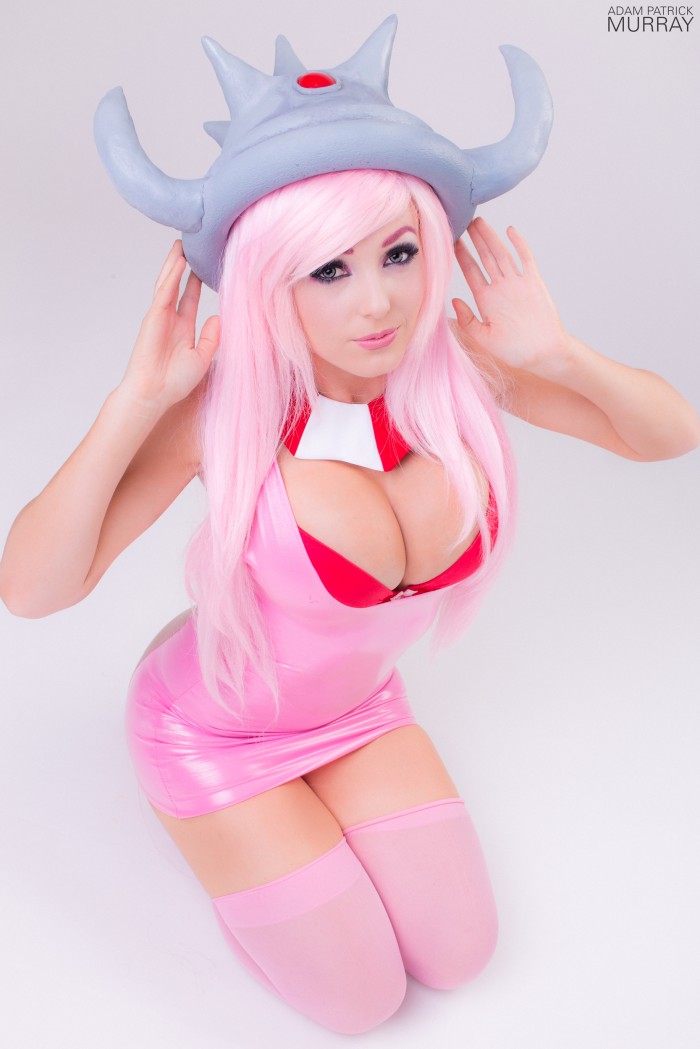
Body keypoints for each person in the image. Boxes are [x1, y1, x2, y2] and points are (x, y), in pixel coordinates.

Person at [1, 22, 699, 1037]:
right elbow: (31, 589)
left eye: (399, 254)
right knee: (363, 1001)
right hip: (215, 731)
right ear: (268, 280)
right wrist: (132, 403)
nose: (378, 302)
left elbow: (670, 435)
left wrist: (559, 353)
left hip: (360, 709)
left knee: (462, 954)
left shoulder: (459, 375)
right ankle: (223, 827)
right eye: (327, 269)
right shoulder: (225, 413)